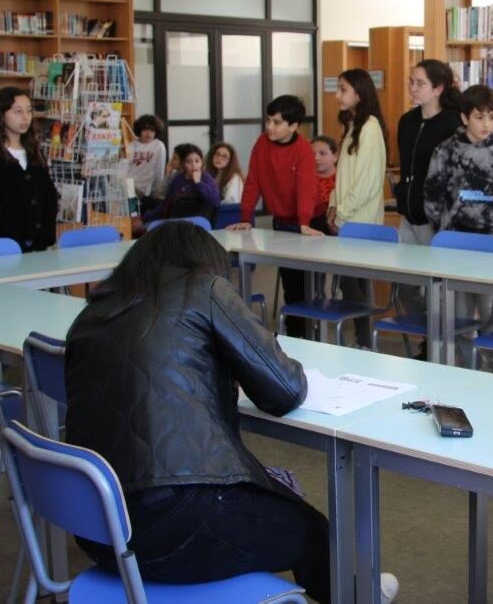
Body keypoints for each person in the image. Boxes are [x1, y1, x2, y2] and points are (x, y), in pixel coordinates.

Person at [63, 222, 329, 599]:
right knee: (314, 532)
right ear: (204, 261)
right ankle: (360, 589)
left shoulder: (88, 316)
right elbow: (286, 389)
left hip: (99, 532)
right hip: (177, 522)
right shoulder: (204, 288)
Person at [423, 84, 493, 365]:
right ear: (464, 118)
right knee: (459, 312)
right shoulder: (445, 151)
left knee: (488, 310)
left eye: (491, 117)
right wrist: (446, 227)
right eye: (479, 117)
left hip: (489, 244)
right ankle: (465, 364)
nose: (486, 124)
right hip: (454, 244)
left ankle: (490, 364)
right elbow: (433, 195)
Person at [227, 95, 321, 338]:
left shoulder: (303, 151)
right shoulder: (262, 143)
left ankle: (305, 334)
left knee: (303, 285)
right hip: (280, 222)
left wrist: (303, 221)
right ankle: (293, 334)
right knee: (291, 284)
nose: (270, 127)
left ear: (293, 126)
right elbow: (253, 181)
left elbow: (306, 188)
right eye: (268, 120)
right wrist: (246, 217)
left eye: (277, 122)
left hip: (305, 223)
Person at [395, 59, 462, 358]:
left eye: (420, 83)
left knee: (436, 288)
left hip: (435, 220)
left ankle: (438, 346)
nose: (413, 88)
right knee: (406, 283)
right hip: (407, 214)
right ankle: (427, 335)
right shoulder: (407, 121)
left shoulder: (451, 124)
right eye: (410, 82)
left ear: (438, 88)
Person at [329, 68, 388, 348]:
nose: (337, 94)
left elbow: (367, 182)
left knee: (356, 287)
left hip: (360, 222)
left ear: (359, 93)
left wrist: (341, 214)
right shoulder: (352, 125)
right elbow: (343, 175)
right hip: (347, 220)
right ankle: (361, 341)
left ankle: (364, 343)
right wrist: (332, 204)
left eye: (342, 89)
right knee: (349, 285)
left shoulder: (371, 128)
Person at [0, 86, 58, 252]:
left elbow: (48, 196)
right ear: (1, 115)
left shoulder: (34, 153)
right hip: (4, 249)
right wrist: (13, 244)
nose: (25, 117)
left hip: (38, 246)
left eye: (29, 111)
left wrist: (44, 237)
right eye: (18, 111)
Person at [140, 144, 220, 226]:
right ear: (183, 164)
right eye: (188, 162)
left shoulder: (206, 177)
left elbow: (215, 200)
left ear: (201, 162)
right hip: (176, 222)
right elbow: (166, 205)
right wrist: (144, 218)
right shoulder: (178, 179)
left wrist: (199, 183)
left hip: (199, 223)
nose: (193, 165)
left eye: (197, 161)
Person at [125, 114, 166, 204]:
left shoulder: (159, 146)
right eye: (145, 129)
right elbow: (126, 168)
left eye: (152, 130)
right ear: (140, 130)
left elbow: (159, 171)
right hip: (129, 186)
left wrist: (156, 191)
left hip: (146, 190)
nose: (148, 133)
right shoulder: (132, 146)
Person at [310, 135, 339, 234]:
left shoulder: (344, 178)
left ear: (335, 156)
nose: (316, 158)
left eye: (322, 153)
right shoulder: (306, 179)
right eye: (312, 154)